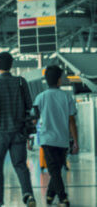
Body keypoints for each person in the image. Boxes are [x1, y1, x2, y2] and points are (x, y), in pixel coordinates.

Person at [0, 52, 36, 207]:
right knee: (21, 165)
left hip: (1, 130)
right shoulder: (21, 82)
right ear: (11, 65)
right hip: (19, 131)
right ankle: (28, 195)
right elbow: (30, 105)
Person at [33, 65, 78, 206]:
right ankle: (63, 197)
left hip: (47, 140)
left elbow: (33, 119)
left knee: (55, 171)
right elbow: (72, 121)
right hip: (62, 141)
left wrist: (29, 138)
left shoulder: (40, 97)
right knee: (55, 170)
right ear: (59, 81)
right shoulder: (67, 97)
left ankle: (51, 196)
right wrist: (75, 142)